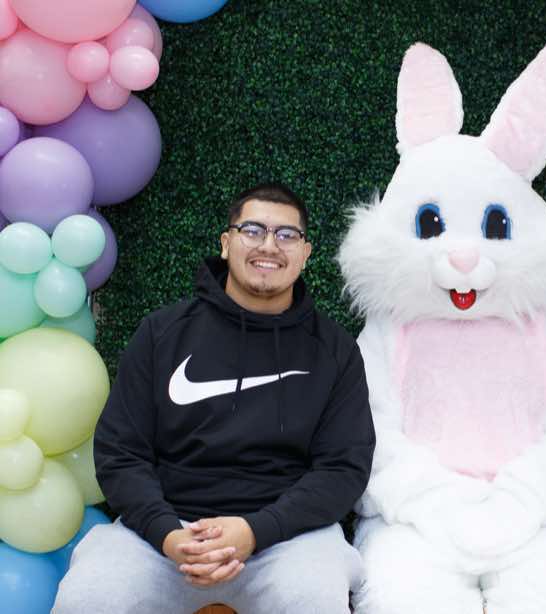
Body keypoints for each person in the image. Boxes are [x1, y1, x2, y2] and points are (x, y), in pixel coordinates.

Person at [53, 183, 375, 613]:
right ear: (226, 243)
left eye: (286, 235)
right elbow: (121, 453)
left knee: (311, 596)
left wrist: (256, 530)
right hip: (164, 535)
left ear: (305, 253)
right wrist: (168, 534)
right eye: (253, 230)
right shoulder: (161, 333)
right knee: (89, 597)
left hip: (286, 538)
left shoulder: (335, 350)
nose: (269, 245)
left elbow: (343, 468)